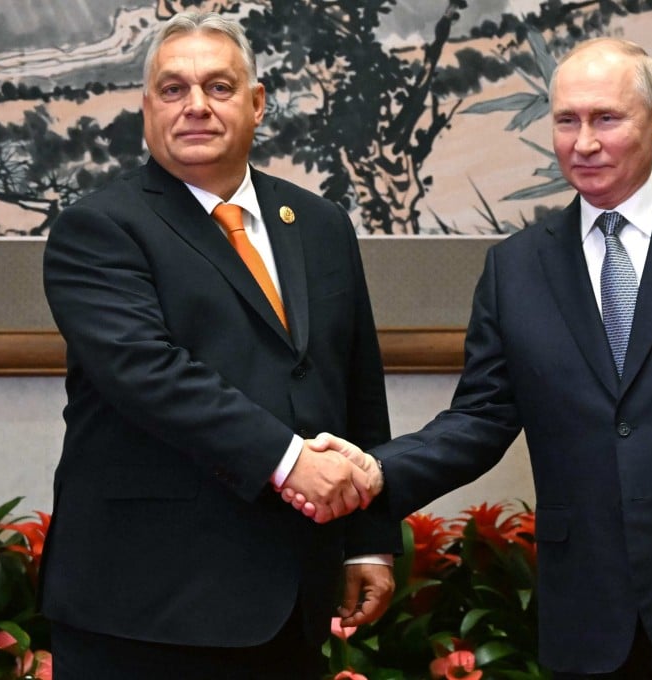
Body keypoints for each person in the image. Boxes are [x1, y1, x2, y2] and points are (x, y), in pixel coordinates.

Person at [292, 37, 652, 678]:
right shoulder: (515, 267)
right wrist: (377, 469)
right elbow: (480, 419)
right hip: (587, 613)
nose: (583, 143)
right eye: (566, 121)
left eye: (606, 119)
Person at [41, 11, 397, 679]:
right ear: (147, 107)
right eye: (173, 89)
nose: (196, 106)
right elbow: (149, 374)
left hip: (291, 600)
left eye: (219, 87)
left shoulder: (320, 224)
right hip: (145, 609)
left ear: (257, 103)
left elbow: (355, 384)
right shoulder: (99, 228)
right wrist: (291, 462)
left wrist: (366, 543)